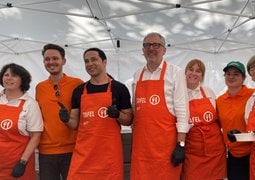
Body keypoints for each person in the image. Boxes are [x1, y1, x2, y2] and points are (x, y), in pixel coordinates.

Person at [58, 47, 133, 179]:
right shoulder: (79, 91)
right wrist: (66, 120)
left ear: (104, 61)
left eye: (94, 59)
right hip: (84, 154)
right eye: (86, 61)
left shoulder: (119, 89)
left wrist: (117, 115)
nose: (89, 64)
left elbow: (129, 119)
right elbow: (74, 123)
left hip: (109, 155)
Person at [130, 32, 190, 179]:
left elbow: (183, 111)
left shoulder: (175, 73)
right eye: (147, 45)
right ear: (143, 50)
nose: (151, 48)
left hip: (166, 148)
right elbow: (135, 109)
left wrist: (180, 145)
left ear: (164, 50)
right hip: (141, 148)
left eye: (156, 45)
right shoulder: (138, 74)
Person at [35, 44, 83, 180]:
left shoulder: (77, 83)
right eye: (47, 59)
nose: (51, 62)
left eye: (55, 58)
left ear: (64, 61)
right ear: (44, 62)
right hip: (46, 151)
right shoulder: (40, 88)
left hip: (73, 149)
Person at [181, 59, 226, 179]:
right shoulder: (179, 93)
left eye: (198, 71)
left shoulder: (208, 92)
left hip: (215, 150)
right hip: (192, 150)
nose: (194, 73)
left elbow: (219, 119)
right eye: (191, 69)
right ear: (185, 72)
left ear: (202, 76)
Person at [0, 63, 43, 179]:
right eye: (6, 75)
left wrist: (22, 162)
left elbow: (36, 136)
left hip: (17, 165)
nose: (9, 78)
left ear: (22, 80)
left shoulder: (30, 104)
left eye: (14, 75)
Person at [216, 61, 255, 180]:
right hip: (233, 153)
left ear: (243, 78)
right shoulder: (220, 101)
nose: (231, 77)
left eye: (236, 74)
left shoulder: (254, 94)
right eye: (228, 74)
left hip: (254, 152)